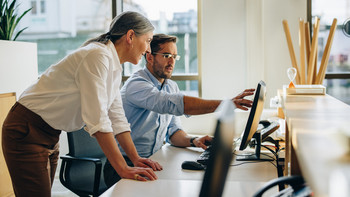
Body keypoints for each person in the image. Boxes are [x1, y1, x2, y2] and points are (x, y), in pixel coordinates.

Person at [2, 11, 163, 197]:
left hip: (49, 132)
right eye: (148, 40)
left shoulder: (114, 66)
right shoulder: (97, 56)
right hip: (27, 128)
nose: (149, 49)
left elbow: (116, 117)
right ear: (130, 36)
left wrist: (135, 159)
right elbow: (98, 120)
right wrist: (122, 168)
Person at [103, 33, 255, 187]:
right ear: (149, 57)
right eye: (167, 55)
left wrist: (193, 141)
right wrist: (226, 104)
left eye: (175, 56)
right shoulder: (136, 85)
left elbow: (173, 132)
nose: (172, 62)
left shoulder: (171, 86)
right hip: (123, 164)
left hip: (153, 161)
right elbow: (172, 104)